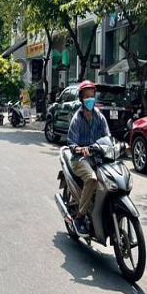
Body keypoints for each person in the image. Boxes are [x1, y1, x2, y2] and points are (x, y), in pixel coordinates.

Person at [67, 80, 110, 236]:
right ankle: (80, 216)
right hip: (79, 159)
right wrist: (81, 149)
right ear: (81, 98)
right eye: (87, 96)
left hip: (97, 158)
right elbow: (71, 144)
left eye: (92, 95)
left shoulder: (99, 117)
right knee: (92, 179)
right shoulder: (77, 119)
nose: (90, 99)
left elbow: (107, 136)